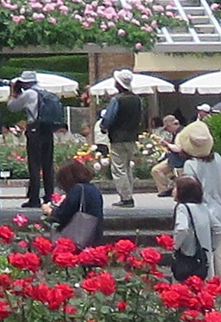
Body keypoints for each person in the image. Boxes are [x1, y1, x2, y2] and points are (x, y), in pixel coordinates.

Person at [177, 120, 221, 285]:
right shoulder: (219, 159)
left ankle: (211, 289)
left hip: (202, 213)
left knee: (206, 255)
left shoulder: (190, 164)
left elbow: (190, 192)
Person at [7, 70, 53, 208]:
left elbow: (11, 107)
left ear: (26, 83)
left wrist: (13, 92)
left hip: (35, 129)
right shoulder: (45, 92)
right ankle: (49, 196)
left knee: (34, 164)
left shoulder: (29, 94)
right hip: (47, 129)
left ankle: (34, 198)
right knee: (48, 164)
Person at [100, 69, 142, 208]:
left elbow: (110, 117)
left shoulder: (116, 99)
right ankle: (129, 193)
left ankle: (126, 197)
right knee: (127, 167)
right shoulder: (137, 99)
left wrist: (103, 126)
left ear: (119, 84)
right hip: (131, 136)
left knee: (119, 169)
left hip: (118, 137)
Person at [42, 160, 104, 246]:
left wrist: (49, 210)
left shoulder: (77, 190)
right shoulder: (93, 189)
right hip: (94, 236)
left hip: (79, 238)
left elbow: (62, 214)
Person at [172, 175, 221, 280]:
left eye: (175, 188)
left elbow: (182, 229)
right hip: (204, 257)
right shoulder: (203, 208)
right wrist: (211, 247)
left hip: (188, 257)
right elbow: (218, 229)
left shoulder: (182, 208)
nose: (173, 191)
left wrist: (175, 246)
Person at [151, 115, 186, 197]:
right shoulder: (175, 133)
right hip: (172, 158)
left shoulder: (181, 133)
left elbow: (178, 148)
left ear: (171, 125)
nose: (167, 130)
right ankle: (165, 189)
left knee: (179, 177)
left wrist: (166, 144)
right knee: (156, 170)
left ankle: (172, 189)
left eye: (167, 128)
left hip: (180, 160)